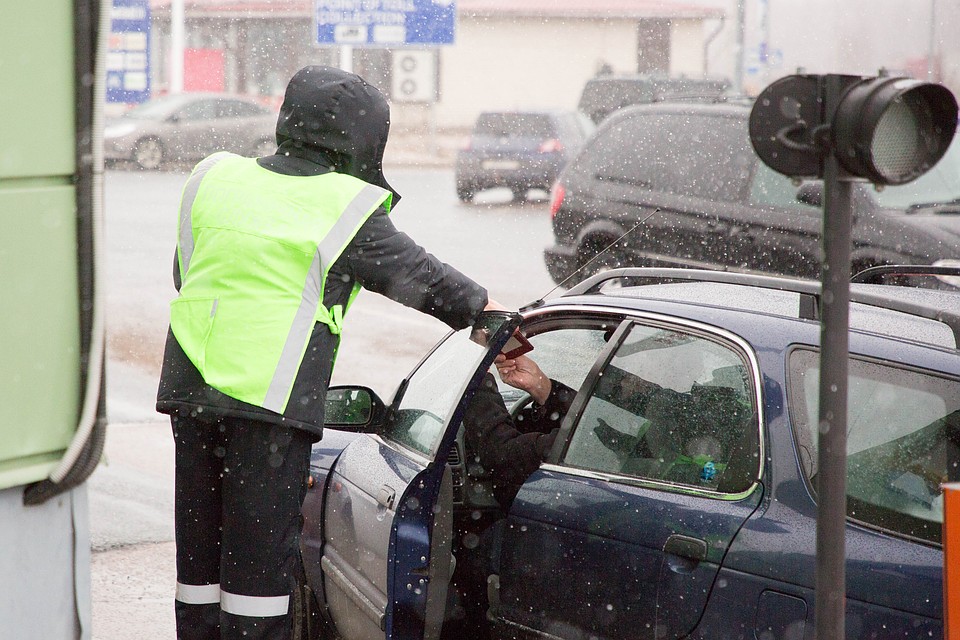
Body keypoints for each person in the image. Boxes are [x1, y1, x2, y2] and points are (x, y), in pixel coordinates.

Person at [155, 65, 501, 640]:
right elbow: (422, 278)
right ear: (362, 143)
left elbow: (185, 272)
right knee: (258, 583)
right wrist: (488, 315)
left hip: (191, 396)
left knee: (199, 570)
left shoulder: (213, 177)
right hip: (267, 411)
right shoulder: (344, 205)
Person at [450, 352, 575, 637]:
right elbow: (598, 420)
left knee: (478, 553)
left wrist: (477, 374)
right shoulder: (666, 424)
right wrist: (542, 387)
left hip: (575, 541)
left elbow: (502, 456)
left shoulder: (606, 438)